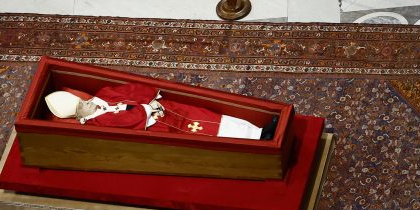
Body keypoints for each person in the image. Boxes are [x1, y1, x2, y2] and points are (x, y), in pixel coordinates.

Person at [44, 83, 269, 139]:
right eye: (83, 106)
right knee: (207, 131)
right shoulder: (98, 124)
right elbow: (127, 122)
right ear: (79, 116)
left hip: (169, 109)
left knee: (209, 115)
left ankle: (257, 130)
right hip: (163, 125)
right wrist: (147, 107)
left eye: (83, 100)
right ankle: (256, 139)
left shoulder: (102, 94)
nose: (88, 103)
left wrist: (151, 99)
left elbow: (131, 89)